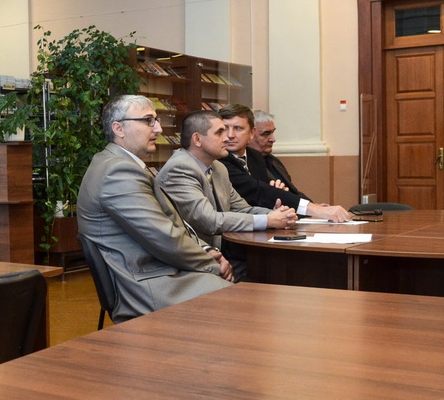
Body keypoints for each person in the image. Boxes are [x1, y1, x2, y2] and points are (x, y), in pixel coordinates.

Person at [77, 95, 233, 322]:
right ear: (119, 128)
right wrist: (211, 264)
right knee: (236, 300)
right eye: (148, 121)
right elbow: (164, 237)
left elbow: (173, 226)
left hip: (160, 268)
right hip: (148, 284)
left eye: (156, 120)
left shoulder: (120, 164)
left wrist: (207, 250)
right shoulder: (117, 172)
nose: (158, 129)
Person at [157, 110, 297, 247]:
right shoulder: (179, 168)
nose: (226, 138)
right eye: (219, 132)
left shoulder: (219, 168)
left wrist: (277, 215)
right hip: (193, 254)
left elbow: (242, 209)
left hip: (220, 249)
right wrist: (268, 220)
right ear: (197, 139)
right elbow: (209, 221)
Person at [217, 104, 350, 222]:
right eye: (224, 129)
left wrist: (277, 203)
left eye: (238, 128)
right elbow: (257, 191)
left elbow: (262, 199)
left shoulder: (256, 157)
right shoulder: (218, 160)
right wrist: (315, 210)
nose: (230, 135)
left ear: (252, 133)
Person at [249, 110, 310, 200]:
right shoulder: (245, 165)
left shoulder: (274, 161)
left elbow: (293, 192)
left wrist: (314, 205)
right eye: (266, 134)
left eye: (272, 132)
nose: (273, 139)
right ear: (249, 135)